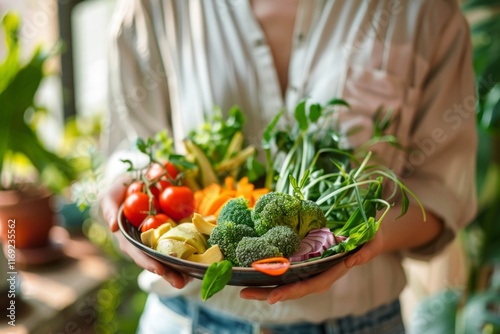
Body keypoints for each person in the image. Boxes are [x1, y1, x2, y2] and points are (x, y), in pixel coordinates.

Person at [101, 0, 478, 333]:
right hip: (187, 319)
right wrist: (123, 204)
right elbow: (131, 146)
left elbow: (442, 192)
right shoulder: (155, 5)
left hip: (359, 324)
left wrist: (364, 240)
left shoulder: (426, 10)